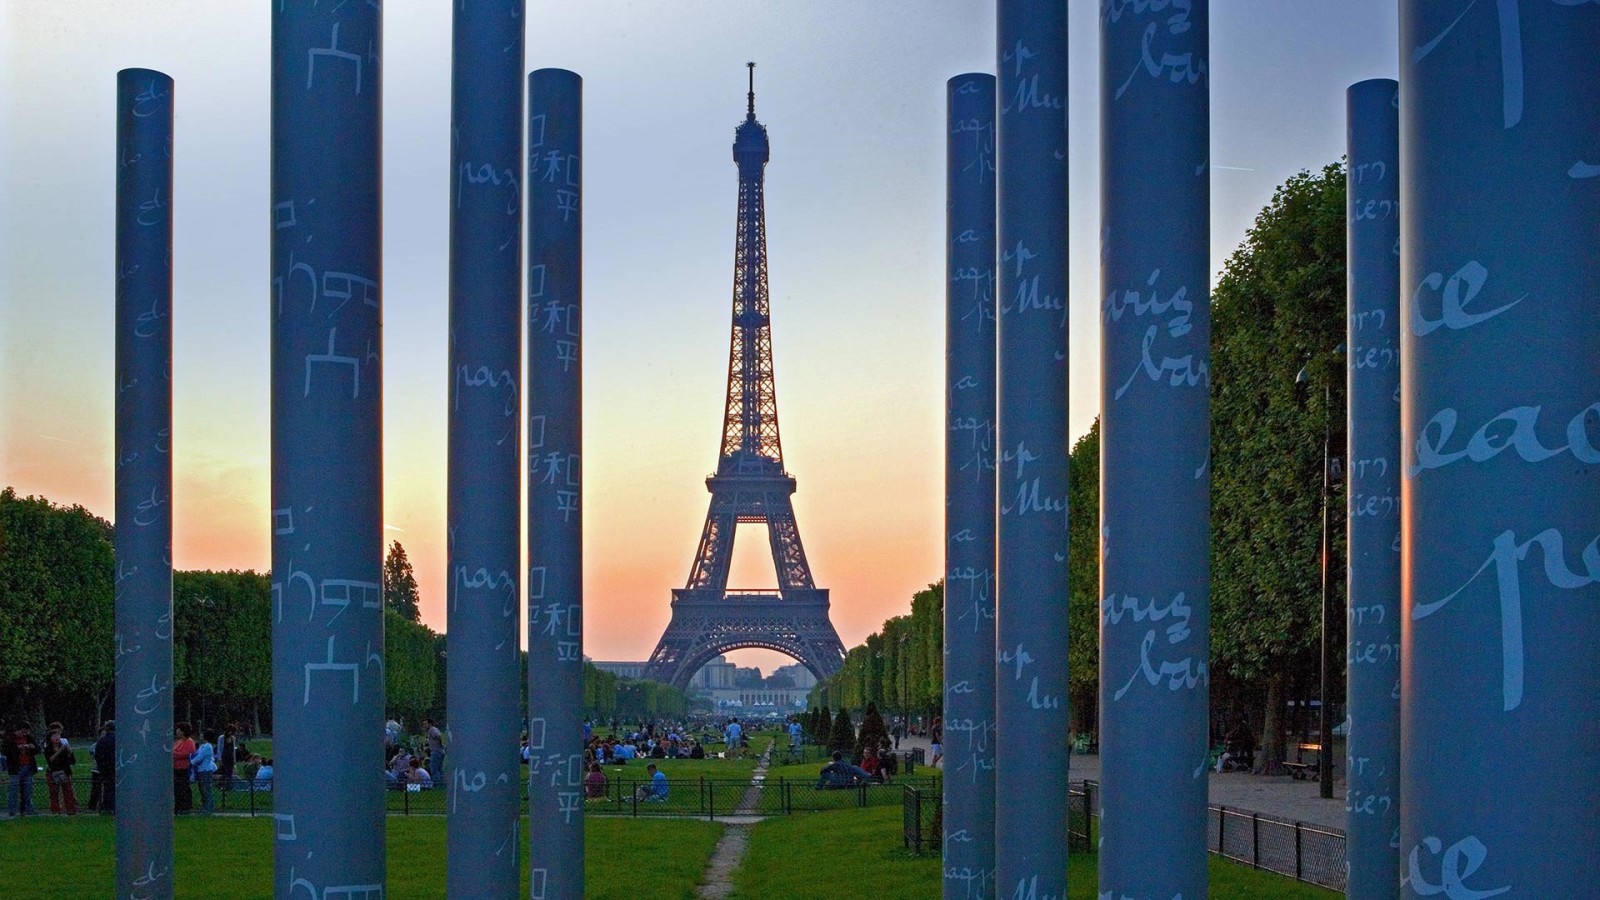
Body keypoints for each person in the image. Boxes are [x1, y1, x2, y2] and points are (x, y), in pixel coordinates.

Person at [4, 723, 40, 817]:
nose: (24, 733)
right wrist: (17, 748)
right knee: (13, 790)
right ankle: (12, 810)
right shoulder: (10, 739)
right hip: (15, 768)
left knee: (28, 790)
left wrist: (32, 747)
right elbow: (5, 751)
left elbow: (38, 749)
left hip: (28, 767)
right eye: (22, 731)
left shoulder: (29, 738)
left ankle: (28, 809)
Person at [45, 730, 78, 815]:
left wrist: (69, 751)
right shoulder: (48, 748)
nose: (57, 737)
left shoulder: (64, 747)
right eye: (54, 736)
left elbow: (72, 761)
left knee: (68, 792)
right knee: (54, 792)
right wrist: (60, 750)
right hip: (54, 772)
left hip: (65, 771)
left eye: (58, 735)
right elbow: (51, 760)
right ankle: (56, 810)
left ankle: (70, 810)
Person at [90, 721, 116, 813]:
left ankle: (107, 806)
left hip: (105, 767)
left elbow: (97, 755)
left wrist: (102, 766)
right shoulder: (118, 739)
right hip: (115, 766)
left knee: (107, 787)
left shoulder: (102, 741)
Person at [191, 731, 218, 814]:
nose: (201, 735)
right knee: (202, 789)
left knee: (206, 789)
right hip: (201, 770)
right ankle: (205, 806)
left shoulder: (208, 747)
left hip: (205, 770)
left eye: (202, 734)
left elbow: (200, 757)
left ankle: (209, 808)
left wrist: (191, 762)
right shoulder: (202, 746)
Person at [172, 723, 196, 813]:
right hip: (176, 768)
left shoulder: (189, 742)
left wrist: (173, 754)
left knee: (183, 788)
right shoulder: (178, 742)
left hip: (183, 769)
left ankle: (185, 807)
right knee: (177, 789)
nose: (176, 731)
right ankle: (178, 807)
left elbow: (185, 753)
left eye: (178, 729)